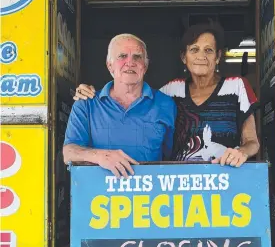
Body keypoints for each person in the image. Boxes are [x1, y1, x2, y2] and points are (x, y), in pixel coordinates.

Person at [74, 23, 259, 168]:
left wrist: (241, 152)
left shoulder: (236, 86)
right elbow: (133, 91)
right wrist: (87, 92)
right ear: (183, 57)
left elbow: (252, 142)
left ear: (218, 57)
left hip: (225, 179)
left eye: (209, 50)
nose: (201, 56)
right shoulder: (171, 91)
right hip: (177, 185)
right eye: (194, 49)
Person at [63, 34, 176, 177]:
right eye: (122, 56)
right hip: (97, 196)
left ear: (145, 66)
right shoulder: (86, 104)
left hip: (152, 196)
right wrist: (100, 156)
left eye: (137, 57)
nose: (130, 62)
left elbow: (171, 156)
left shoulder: (165, 104)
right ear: (109, 65)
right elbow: (68, 153)